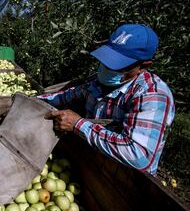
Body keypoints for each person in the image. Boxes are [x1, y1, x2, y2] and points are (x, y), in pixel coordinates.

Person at [38, 24, 175, 176]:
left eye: (117, 65)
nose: (107, 68)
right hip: (91, 164)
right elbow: (62, 97)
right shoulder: (98, 82)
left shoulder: (152, 95)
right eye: (106, 60)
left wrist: (78, 124)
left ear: (143, 66)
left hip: (124, 180)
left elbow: (139, 156)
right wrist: (26, 100)